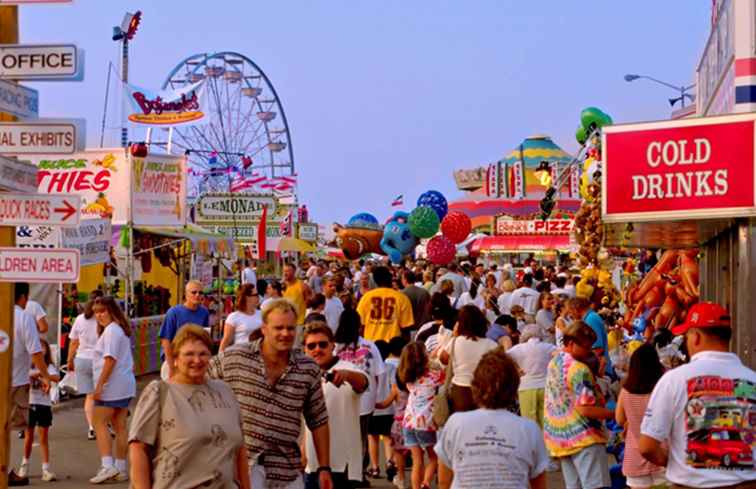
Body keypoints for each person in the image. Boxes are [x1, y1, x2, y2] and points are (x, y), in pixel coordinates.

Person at [208, 299, 333, 489]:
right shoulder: (235, 358)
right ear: (264, 328)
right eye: (279, 328)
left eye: (290, 328)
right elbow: (199, 380)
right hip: (240, 468)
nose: (285, 334)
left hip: (286, 471)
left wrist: (324, 468)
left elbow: (318, 420)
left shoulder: (308, 369)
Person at [640, 302, 756, 488]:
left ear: (695, 337)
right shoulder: (753, 379)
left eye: (686, 336)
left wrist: (674, 463)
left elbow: (647, 446)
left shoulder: (674, 380)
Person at [129, 324, 250, 489]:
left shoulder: (224, 391)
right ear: (176, 358)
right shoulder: (160, 392)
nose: (197, 360)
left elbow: (240, 450)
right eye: (189, 354)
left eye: (203, 353)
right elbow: (138, 449)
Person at [436, 349, 549, 489]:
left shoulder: (456, 423)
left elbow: (443, 481)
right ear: (514, 387)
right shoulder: (530, 429)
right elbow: (539, 484)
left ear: (475, 386)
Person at [544, 320, 613, 489]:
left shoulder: (554, 361)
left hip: (560, 436)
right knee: (594, 485)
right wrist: (615, 413)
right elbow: (585, 408)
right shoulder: (579, 369)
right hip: (583, 437)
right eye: (586, 346)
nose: (589, 351)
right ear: (571, 343)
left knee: (573, 485)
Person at [302, 322, 368, 489]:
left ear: (332, 345)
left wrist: (346, 376)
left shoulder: (348, 368)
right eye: (311, 346)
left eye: (323, 344)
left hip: (343, 467)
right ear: (305, 349)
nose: (317, 349)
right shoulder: (303, 376)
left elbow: (363, 383)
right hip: (311, 466)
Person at [333, 308, 386, 484]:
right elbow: (380, 373)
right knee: (360, 438)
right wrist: (378, 396)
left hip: (339, 400)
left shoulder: (334, 347)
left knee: (341, 436)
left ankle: (343, 471)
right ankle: (357, 474)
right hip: (365, 400)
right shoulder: (370, 346)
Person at [9, 283, 52, 486]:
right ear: (24, 297)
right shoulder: (25, 318)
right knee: (9, 428)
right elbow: (36, 352)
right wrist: (45, 376)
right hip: (16, 383)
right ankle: (6, 471)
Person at [90, 296, 137, 484]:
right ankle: (120, 467)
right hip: (124, 384)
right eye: (96, 312)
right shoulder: (120, 330)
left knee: (99, 422)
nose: (99, 315)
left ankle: (107, 465)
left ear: (111, 311)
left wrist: (100, 385)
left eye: (102, 311)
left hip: (112, 385)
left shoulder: (111, 332)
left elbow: (110, 360)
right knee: (120, 426)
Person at [615, 344, 667, 489]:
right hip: (662, 455)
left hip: (635, 458)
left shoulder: (626, 391)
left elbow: (619, 420)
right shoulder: (661, 389)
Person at [399, 342, 444, 489]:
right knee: (433, 458)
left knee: (417, 461)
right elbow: (445, 372)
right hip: (426, 423)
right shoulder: (435, 376)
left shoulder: (407, 377)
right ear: (423, 357)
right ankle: (425, 483)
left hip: (408, 422)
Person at [439, 305, 498, 413]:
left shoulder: (456, 342)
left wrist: (454, 335)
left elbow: (443, 358)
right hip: (483, 390)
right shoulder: (492, 345)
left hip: (460, 389)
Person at [17, 339, 60, 482]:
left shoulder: (48, 366)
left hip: (44, 406)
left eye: (43, 347)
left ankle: (46, 468)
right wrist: (35, 375)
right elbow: (23, 376)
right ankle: (24, 465)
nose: (41, 350)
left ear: (47, 350)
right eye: (38, 347)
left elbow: (56, 377)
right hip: (29, 404)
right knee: (28, 437)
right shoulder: (27, 366)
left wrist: (43, 375)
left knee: (43, 438)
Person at [67, 289, 104, 440]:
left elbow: (74, 342)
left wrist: (69, 360)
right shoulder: (103, 319)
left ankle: (91, 427)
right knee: (102, 394)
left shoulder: (80, 319)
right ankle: (103, 423)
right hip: (99, 360)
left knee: (89, 396)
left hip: (82, 359)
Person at [506, 324, 556, 428]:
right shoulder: (548, 347)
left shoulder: (518, 348)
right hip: (545, 386)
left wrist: (516, 370)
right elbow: (560, 354)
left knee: (529, 422)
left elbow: (503, 356)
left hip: (526, 387)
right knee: (546, 421)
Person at [158, 280, 210, 379]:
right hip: (175, 361)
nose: (198, 295)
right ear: (186, 295)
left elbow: (205, 339)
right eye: (194, 292)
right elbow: (165, 341)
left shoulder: (204, 312)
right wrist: (172, 367)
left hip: (194, 362)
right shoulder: (173, 312)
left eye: (201, 292)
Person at [357, 266, 414, 342]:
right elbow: (406, 329)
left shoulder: (365, 298)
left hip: (372, 346)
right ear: (390, 278)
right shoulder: (402, 298)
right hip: (394, 347)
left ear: (375, 280)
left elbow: (360, 325)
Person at [568, 297, 615, 378]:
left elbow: (597, 349)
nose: (570, 315)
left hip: (602, 371)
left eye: (571, 312)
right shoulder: (590, 317)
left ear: (575, 309)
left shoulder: (591, 319)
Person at [220, 283, 262, 351]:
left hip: (259, 354)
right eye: (255, 295)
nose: (258, 297)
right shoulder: (233, 317)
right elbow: (226, 340)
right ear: (246, 297)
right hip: (240, 354)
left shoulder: (262, 314)